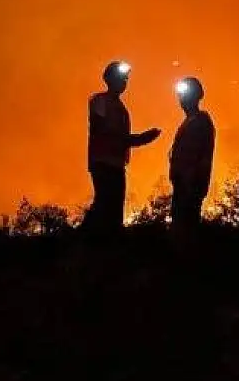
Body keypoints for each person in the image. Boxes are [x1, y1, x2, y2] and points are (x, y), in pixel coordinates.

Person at [83, 60, 161, 238]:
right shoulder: (99, 100)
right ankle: (88, 239)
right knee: (105, 202)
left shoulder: (121, 108)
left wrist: (138, 139)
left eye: (125, 79)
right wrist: (138, 139)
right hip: (103, 161)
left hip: (116, 163)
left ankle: (106, 242)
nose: (124, 82)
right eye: (121, 78)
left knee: (113, 205)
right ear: (108, 79)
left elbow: (117, 136)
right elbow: (101, 128)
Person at [168, 76, 216, 249]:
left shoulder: (201, 121)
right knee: (182, 228)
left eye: (185, 95)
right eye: (180, 96)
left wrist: (193, 182)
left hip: (190, 185)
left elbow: (200, 157)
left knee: (186, 230)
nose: (181, 100)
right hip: (183, 184)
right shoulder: (190, 122)